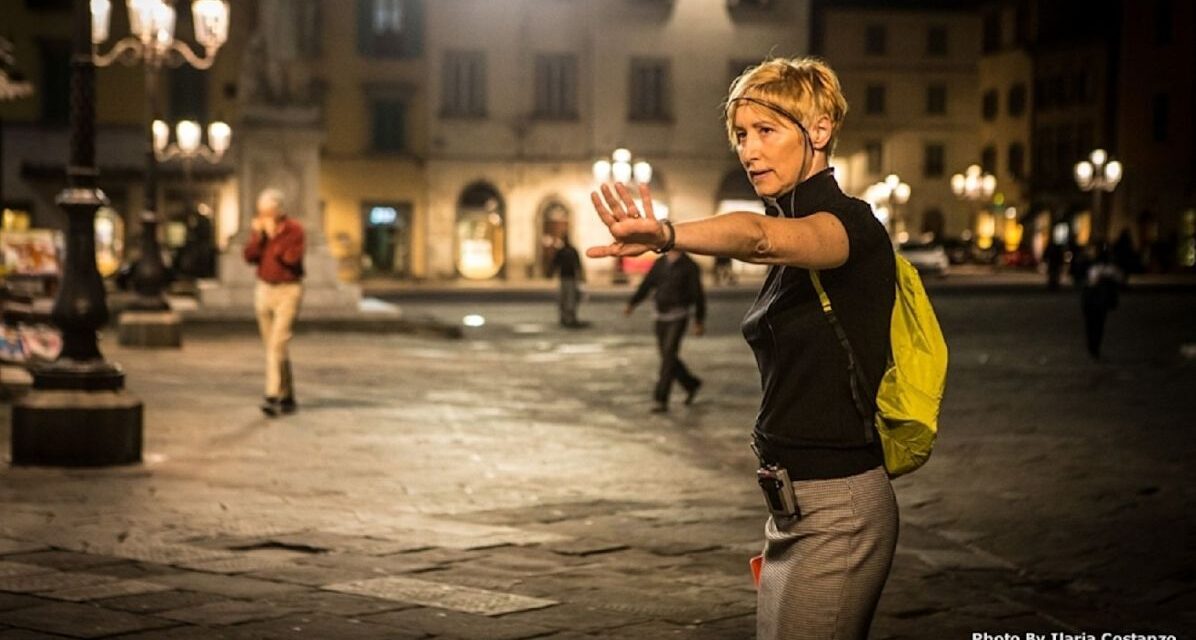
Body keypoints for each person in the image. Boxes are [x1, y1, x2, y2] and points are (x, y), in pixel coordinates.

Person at [587, 57, 897, 640]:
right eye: (740, 135)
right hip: (790, 507)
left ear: (820, 130)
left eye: (766, 131)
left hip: (839, 510)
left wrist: (668, 235)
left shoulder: (849, 226)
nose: (748, 150)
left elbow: (756, 237)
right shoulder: (793, 236)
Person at [243, 188, 305, 417]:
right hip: (264, 288)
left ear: (279, 211)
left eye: (268, 212)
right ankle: (287, 395)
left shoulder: (295, 230)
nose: (264, 216)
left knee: (277, 344)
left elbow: (292, 258)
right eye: (261, 212)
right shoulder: (260, 230)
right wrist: (259, 237)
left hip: (288, 290)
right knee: (274, 347)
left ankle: (272, 395)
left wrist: (275, 238)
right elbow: (249, 257)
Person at [626, 249, 706, 413]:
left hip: (678, 315)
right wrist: (633, 303)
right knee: (667, 357)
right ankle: (691, 384)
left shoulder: (689, 266)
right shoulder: (660, 263)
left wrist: (699, 320)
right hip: (660, 315)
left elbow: (698, 293)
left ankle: (660, 399)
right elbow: (647, 284)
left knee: (668, 356)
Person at [1080, 245, 1124, 360]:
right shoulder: (1106, 269)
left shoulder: (1105, 269)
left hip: (1095, 302)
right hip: (1096, 302)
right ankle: (1093, 347)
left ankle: (1093, 347)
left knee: (1095, 326)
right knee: (1096, 326)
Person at [547, 235, 585, 328]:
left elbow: (555, 263)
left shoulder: (565, 251)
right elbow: (577, 264)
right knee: (567, 298)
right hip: (567, 277)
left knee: (568, 299)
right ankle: (568, 317)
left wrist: (551, 272)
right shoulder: (567, 251)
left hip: (568, 277)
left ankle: (568, 317)